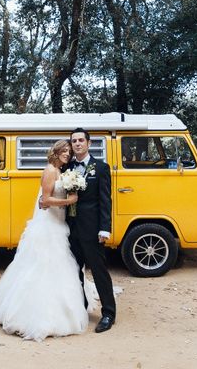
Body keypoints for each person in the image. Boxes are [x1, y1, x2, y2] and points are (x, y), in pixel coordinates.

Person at [0, 140, 89, 341]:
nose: (67, 153)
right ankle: (37, 314)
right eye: (64, 150)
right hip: (48, 225)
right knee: (44, 266)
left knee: (60, 266)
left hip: (59, 222)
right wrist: (69, 201)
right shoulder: (50, 170)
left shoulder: (61, 171)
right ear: (56, 152)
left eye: (69, 151)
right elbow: (45, 201)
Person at [67, 127, 116, 333]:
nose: (77, 144)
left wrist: (105, 228)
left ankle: (108, 314)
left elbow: (106, 200)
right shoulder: (66, 168)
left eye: (80, 140)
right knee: (74, 271)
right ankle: (81, 308)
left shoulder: (101, 167)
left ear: (89, 143)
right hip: (70, 230)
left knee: (99, 271)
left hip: (93, 229)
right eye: (74, 141)